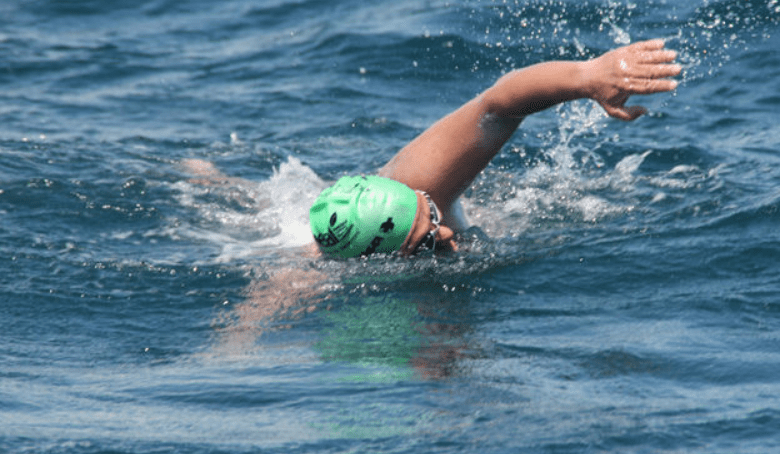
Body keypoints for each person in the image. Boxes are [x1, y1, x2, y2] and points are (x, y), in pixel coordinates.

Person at [309, 39, 681, 258]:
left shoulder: (419, 182)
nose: (448, 234)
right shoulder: (315, 274)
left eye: (433, 214)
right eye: (425, 240)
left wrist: (587, 76)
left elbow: (498, 106)